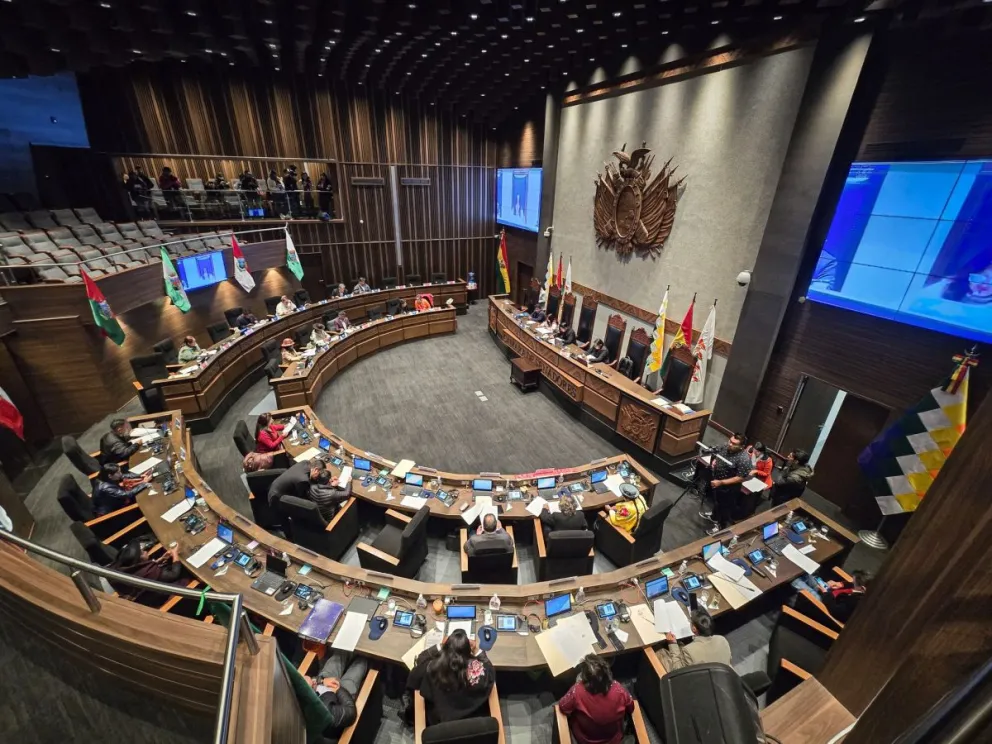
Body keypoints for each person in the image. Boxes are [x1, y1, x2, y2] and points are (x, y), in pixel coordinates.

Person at [405, 629, 495, 725]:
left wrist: (440, 645)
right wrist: (476, 650)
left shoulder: (433, 667)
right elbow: (490, 670)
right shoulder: (477, 671)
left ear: (446, 649)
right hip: (472, 719)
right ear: (468, 650)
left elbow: (421, 660)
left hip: (442, 721)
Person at [558, 654, 634, 744]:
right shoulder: (619, 689)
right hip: (612, 739)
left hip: (585, 739)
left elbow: (563, 707)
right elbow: (631, 707)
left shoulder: (577, 691)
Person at [304, 651, 369, 737]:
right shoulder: (325, 713)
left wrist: (321, 681)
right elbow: (350, 712)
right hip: (341, 698)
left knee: (341, 653)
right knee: (361, 662)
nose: (313, 681)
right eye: (313, 684)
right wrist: (338, 689)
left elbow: (309, 681)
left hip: (324, 684)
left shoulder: (293, 690)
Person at [657, 610, 732, 672]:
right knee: (680, 644)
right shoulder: (722, 639)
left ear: (694, 629)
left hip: (697, 681)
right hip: (719, 675)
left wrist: (672, 643)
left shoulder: (690, 650)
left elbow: (677, 668)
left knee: (659, 651)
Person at [110, 540, 185, 601]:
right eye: (142, 552)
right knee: (185, 574)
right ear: (140, 560)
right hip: (155, 596)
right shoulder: (148, 573)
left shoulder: (124, 568)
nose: (145, 551)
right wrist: (175, 553)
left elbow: (144, 567)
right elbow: (174, 574)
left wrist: (160, 560)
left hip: (140, 591)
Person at [708, 433, 753, 534]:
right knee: (717, 502)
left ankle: (720, 527)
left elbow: (740, 478)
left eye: (734, 443)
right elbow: (718, 454)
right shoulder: (726, 446)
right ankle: (714, 516)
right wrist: (715, 460)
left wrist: (721, 482)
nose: (730, 444)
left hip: (729, 488)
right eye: (730, 441)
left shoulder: (744, 459)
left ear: (742, 446)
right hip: (717, 481)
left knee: (725, 508)